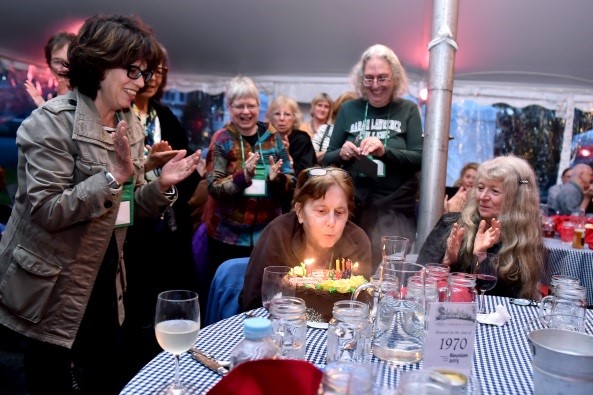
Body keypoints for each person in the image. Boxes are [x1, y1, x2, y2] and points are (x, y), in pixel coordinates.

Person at [0, 14, 201, 395]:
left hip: (110, 282)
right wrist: (112, 176)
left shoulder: (130, 123)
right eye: (132, 70)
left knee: (105, 377)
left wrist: (161, 184)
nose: (141, 83)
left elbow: (131, 207)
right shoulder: (50, 123)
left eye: (144, 73)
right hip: (53, 290)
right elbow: (46, 210)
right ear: (100, 62)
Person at [121, 44, 201, 379]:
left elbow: (188, 168)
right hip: (130, 228)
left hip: (168, 229)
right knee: (134, 307)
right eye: (146, 70)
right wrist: (148, 168)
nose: (152, 79)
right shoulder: (121, 115)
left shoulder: (165, 116)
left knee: (168, 302)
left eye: (160, 71)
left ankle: (171, 373)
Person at [322, 44, 423, 270]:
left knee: (387, 273)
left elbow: (420, 158)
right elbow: (326, 159)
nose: (375, 85)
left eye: (382, 78)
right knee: (349, 270)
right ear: (361, 80)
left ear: (394, 78)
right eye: (369, 78)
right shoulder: (349, 109)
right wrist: (343, 153)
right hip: (354, 207)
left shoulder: (408, 110)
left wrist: (384, 151)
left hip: (393, 210)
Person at [201, 76, 296, 318]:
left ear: (259, 106)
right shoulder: (222, 139)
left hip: (266, 235)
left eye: (251, 105)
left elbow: (291, 180)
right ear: (229, 108)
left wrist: (277, 179)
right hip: (227, 238)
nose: (246, 112)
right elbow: (214, 187)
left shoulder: (273, 137)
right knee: (227, 297)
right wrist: (243, 177)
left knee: (259, 299)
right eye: (239, 106)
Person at [240, 166, 373, 311]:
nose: (331, 222)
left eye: (340, 212)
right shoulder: (279, 234)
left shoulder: (357, 241)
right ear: (300, 212)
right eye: (321, 211)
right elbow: (253, 302)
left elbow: (361, 304)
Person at [417, 155, 545, 300]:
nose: (483, 197)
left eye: (494, 191)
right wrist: (446, 262)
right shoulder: (451, 225)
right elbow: (418, 280)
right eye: (480, 187)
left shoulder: (524, 239)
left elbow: (510, 298)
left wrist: (481, 257)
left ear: (516, 199)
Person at [266, 95, 317, 179]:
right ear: (271, 117)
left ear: (294, 118)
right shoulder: (265, 138)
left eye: (287, 114)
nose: (281, 118)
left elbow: (308, 173)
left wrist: (288, 158)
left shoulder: (302, 140)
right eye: (277, 114)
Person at [24, 31, 75, 107]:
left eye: (69, 61)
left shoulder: (90, 93)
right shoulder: (52, 98)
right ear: (50, 67)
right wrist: (43, 106)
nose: (65, 68)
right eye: (57, 62)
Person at [312, 91, 358, 163]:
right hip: (326, 172)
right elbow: (311, 157)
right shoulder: (325, 130)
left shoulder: (361, 133)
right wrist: (334, 152)